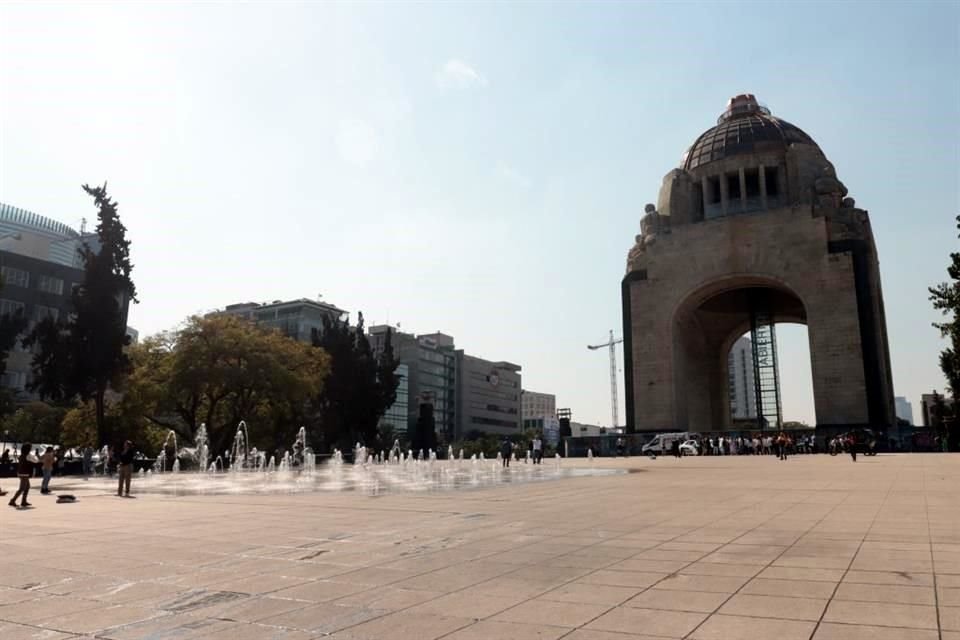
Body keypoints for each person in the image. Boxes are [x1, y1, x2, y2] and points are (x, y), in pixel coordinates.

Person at [8, 443, 34, 508]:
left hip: (21, 472)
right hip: (24, 473)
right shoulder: (27, 455)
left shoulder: (22, 455)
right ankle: (13, 500)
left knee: (27, 487)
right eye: (30, 447)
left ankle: (23, 501)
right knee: (22, 488)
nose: (31, 448)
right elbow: (36, 461)